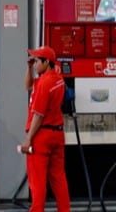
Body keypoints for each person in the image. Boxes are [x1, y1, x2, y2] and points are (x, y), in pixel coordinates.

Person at [20, 46, 70, 212]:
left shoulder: (44, 83)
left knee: (37, 181)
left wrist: (28, 139)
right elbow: (28, 85)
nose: (34, 64)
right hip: (57, 134)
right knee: (58, 178)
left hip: (41, 136)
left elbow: (38, 115)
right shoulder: (57, 79)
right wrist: (29, 68)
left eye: (36, 61)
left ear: (46, 62)